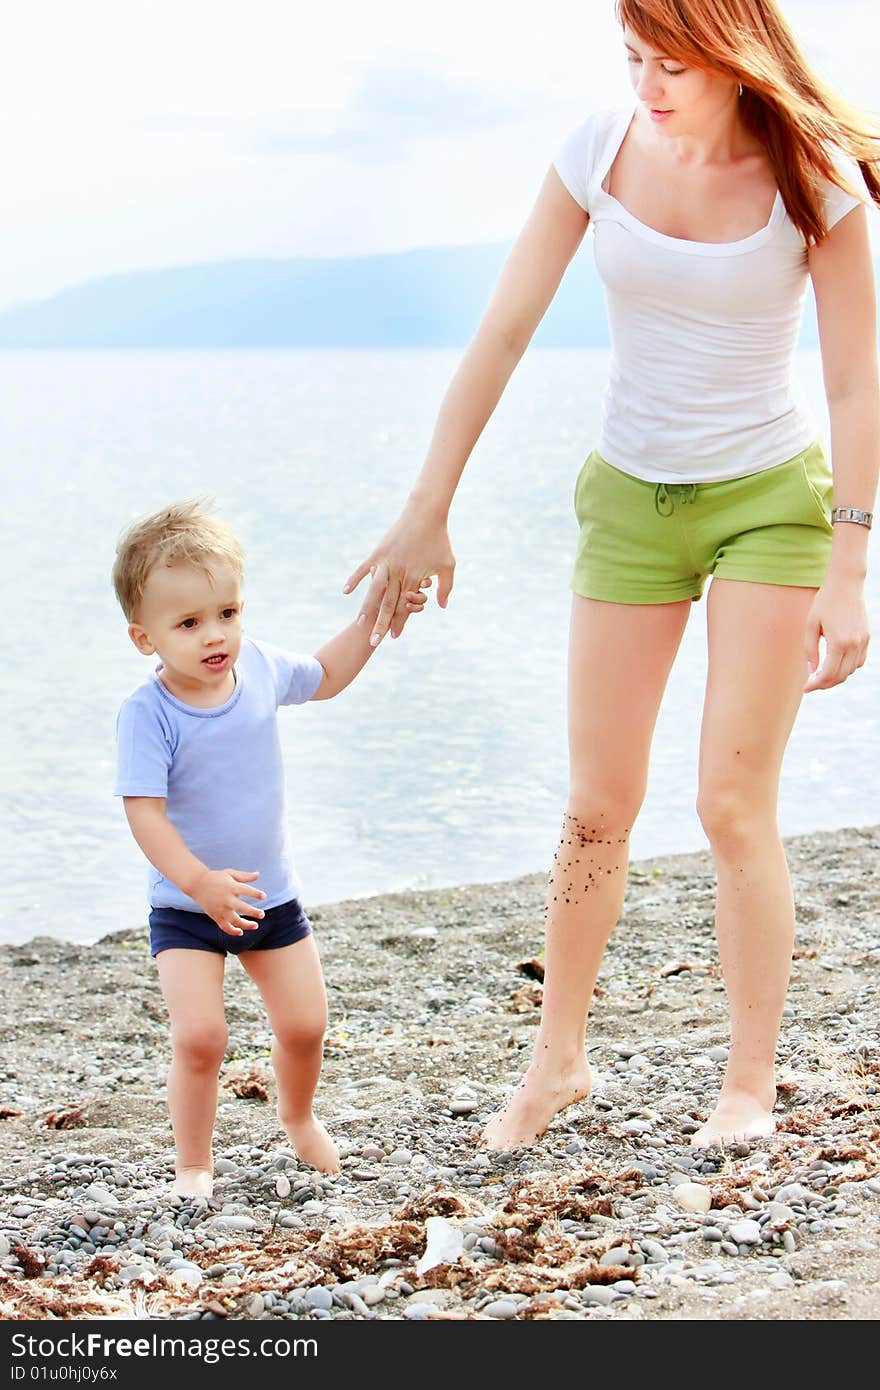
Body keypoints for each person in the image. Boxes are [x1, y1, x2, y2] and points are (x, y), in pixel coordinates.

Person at [344, 0, 879, 1150]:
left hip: (768, 508)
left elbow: (854, 383)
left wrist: (851, 561)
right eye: (631, 60)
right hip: (628, 505)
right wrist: (425, 507)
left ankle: (746, 1084)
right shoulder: (597, 148)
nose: (646, 86)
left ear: (732, 58)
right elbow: (501, 330)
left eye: (671, 65)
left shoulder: (813, 176)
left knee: (731, 803)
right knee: (597, 805)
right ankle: (558, 1061)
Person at [112, 500, 426, 1195]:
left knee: (307, 1023)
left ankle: (298, 1115)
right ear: (145, 638)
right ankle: (194, 1163)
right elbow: (146, 816)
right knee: (201, 1039)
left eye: (226, 612)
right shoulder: (148, 714)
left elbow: (326, 674)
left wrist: (377, 616)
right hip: (188, 905)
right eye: (188, 623)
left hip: (267, 897)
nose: (214, 634)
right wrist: (198, 882)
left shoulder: (255, 667)